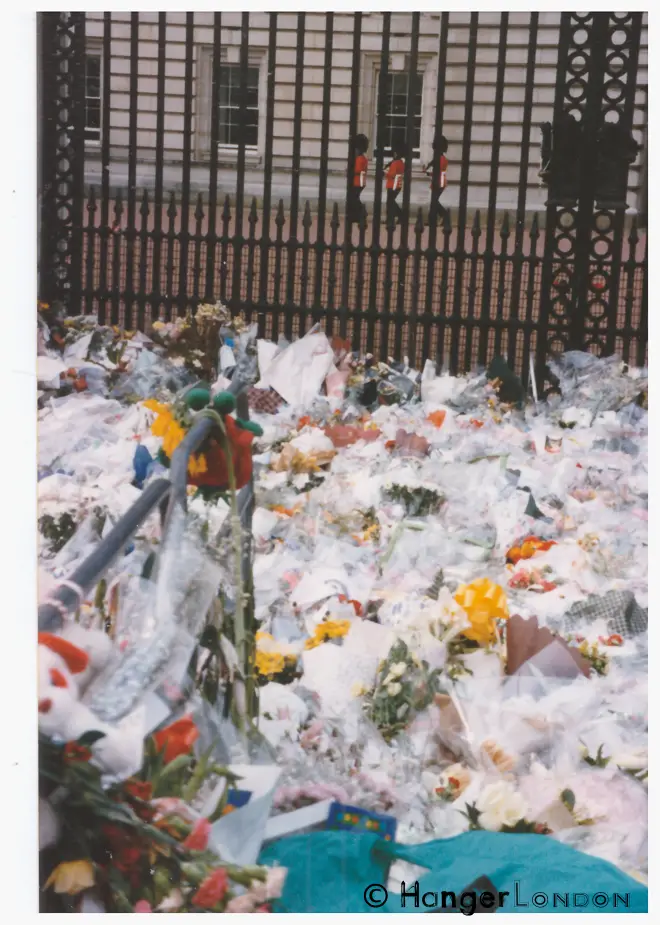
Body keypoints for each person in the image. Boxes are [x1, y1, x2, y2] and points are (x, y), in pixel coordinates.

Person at [424, 134, 449, 226]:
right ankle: (432, 220)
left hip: (439, 182)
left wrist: (430, 171)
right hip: (436, 181)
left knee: (434, 201)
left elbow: (439, 171)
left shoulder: (441, 159)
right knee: (433, 201)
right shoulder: (438, 158)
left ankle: (444, 215)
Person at [348, 134, 369, 225]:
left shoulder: (360, 158)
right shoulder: (362, 158)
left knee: (354, 198)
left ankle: (362, 212)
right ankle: (356, 215)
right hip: (359, 181)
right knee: (354, 198)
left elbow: (357, 170)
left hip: (358, 181)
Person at [385, 144, 405, 227]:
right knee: (391, 202)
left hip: (393, 184)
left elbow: (391, 174)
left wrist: (384, 172)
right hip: (398, 184)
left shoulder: (395, 163)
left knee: (390, 202)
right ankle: (391, 218)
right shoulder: (401, 162)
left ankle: (399, 216)